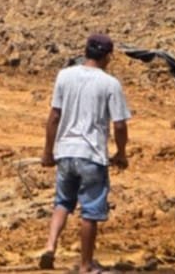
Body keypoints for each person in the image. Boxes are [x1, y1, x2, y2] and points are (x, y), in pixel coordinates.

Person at [39, 33, 131, 274]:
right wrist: (121, 153)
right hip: (92, 156)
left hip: (66, 152)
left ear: (86, 51)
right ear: (108, 56)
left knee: (62, 202)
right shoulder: (110, 84)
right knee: (90, 211)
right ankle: (85, 265)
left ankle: (50, 245)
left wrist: (48, 152)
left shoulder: (65, 75)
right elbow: (119, 125)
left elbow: (54, 117)